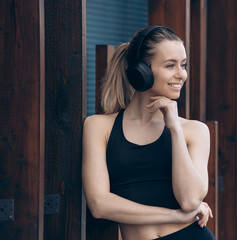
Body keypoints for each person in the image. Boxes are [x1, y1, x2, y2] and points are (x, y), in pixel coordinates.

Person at [82, 25, 216, 240]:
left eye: (183, 65)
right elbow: (99, 204)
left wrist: (174, 128)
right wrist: (173, 216)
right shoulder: (99, 127)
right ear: (141, 70)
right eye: (170, 65)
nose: (181, 74)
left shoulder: (195, 131)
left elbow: (190, 201)